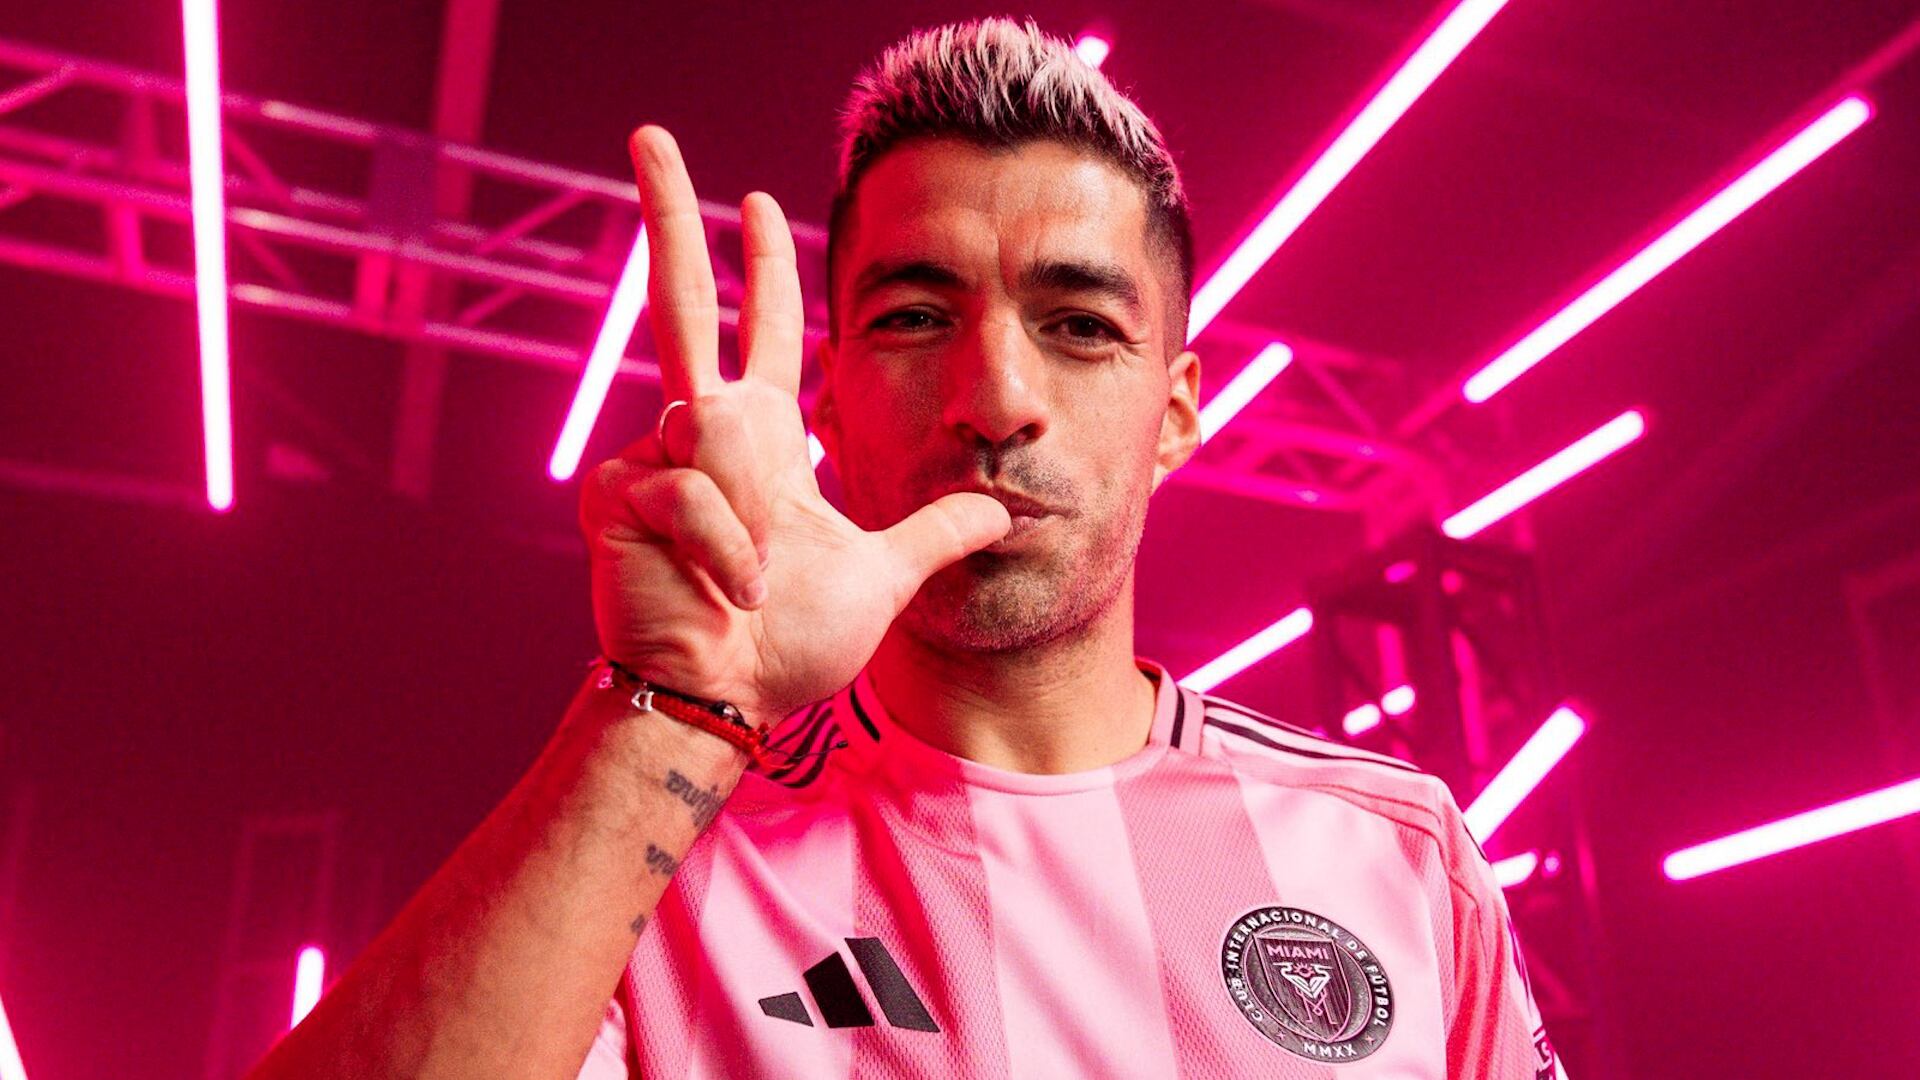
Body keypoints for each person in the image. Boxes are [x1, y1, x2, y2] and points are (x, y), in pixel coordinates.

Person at [249, 18, 1557, 1079]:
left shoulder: (1399, 853)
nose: (995, 399)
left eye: (1081, 326)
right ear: (827, 401)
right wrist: (674, 710)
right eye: (918, 316)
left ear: (1175, 414)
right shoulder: (657, 857)